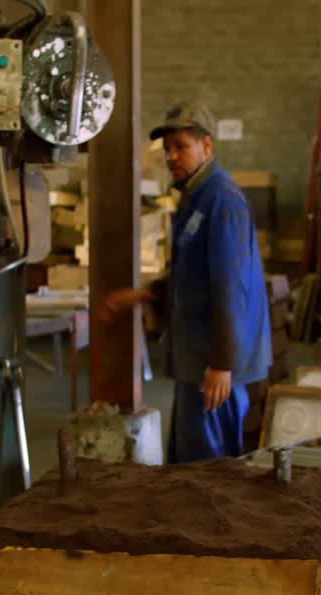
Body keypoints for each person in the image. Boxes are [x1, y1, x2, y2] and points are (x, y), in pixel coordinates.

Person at [102, 103, 271, 463]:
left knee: (208, 469)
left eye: (181, 146)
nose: (171, 156)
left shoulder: (222, 200)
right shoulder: (196, 197)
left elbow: (230, 287)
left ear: (206, 147)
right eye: (167, 149)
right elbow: (193, 274)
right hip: (198, 360)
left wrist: (222, 363)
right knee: (191, 461)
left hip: (214, 366)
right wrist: (144, 294)